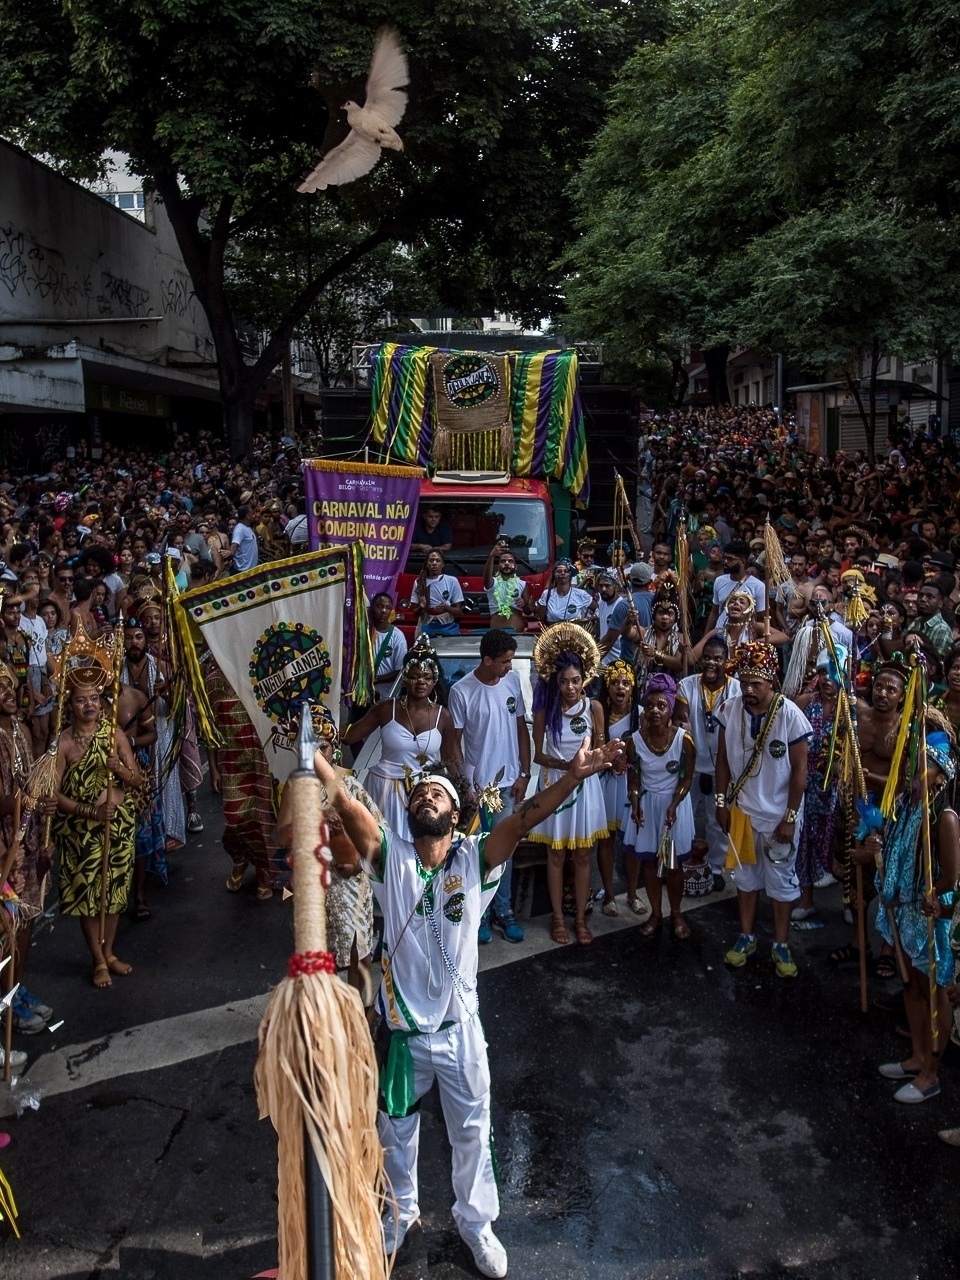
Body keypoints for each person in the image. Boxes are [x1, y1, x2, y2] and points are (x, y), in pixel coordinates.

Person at [311, 739, 624, 1275]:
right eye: (419, 794)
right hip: (406, 1038)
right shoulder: (392, 860)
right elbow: (350, 807)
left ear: (455, 815)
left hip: (460, 1032)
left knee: (474, 1133)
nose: (425, 799)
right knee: (396, 1132)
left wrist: (572, 777)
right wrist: (314, 758)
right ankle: (399, 1217)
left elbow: (525, 818)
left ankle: (477, 1225)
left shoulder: (475, 857)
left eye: (437, 793)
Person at [871, 723, 958, 1104]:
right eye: (914, 763)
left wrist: (933, 894)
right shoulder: (906, 804)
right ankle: (918, 1055)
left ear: (941, 775)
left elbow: (952, 876)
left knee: (932, 989)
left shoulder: (945, 817)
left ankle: (931, 1072)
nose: (917, 771)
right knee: (910, 985)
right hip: (900, 911)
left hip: (927, 916)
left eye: (927, 765)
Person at [715, 640, 812, 979]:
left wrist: (790, 817)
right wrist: (721, 802)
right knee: (745, 879)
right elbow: (722, 760)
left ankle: (781, 944)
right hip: (741, 813)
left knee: (781, 883)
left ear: (772, 681)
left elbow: (800, 771)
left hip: (777, 820)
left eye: (756, 683)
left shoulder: (790, 715)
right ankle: (747, 937)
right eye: (744, 683)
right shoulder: (729, 709)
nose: (749, 690)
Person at [52, 662, 140, 988]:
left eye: (94, 698)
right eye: (80, 699)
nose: (89, 705)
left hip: (117, 825)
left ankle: (111, 951)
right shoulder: (62, 744)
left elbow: (137, 780)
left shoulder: (114, 735)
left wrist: (119, 768)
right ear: (70, 705)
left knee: (113, 893)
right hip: (81, 831)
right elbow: (55, 794)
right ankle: (98, 959)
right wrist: (90, 812)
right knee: (88, 896)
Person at [448, 628, 531, 944]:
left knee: (504, 853)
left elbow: (521, 728)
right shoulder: (461, 691)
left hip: (508, 787)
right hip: (476, 791)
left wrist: (524, 773)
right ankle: (479, 915)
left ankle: (504, 911)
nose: (509, 667)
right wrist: (465, 786)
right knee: (476, 854)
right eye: (505, 661)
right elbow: (454, 742)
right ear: (486, 659)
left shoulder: (511, 682)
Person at [528, 626, 608, 945]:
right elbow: (538, 754)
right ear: (555, 681)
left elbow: (601, 745)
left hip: (587, 788)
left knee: (584, 856)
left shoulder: (594, 708)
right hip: (555, 787)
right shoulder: (545, 710)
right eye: (564, 681)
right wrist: (567, 765)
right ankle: (558, 919)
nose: (571, 687)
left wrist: (594, 755)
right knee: (556, 856)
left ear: (584, 678)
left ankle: (580, 920)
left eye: (576, 680)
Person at [342, 638, 460, 840]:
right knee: (382, 850)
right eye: (414, 677)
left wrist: (463, 794)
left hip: (424, 795)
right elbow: (350, 736)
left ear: (434, 681)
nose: (421, 682)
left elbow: (453, 760)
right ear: (405, 678)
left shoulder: (444, 716)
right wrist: (320, 721)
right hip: (383, 790)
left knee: (419, 851)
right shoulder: (387, 708)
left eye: (427, 677)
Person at [621, 673, 696, 937]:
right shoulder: (635, 740)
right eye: (650, 705)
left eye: (661, 706)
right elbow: (634, 776)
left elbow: (687, 778)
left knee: (673, 866)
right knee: (651, 865)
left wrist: (674, 804)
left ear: (671, 709)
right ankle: (656, 913)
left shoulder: (683, 740)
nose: (655, 711)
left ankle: (677, 913)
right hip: (647, 805)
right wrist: (634, 800)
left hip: (673, 807)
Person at [206, 655, 279, 900]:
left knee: (261, 821)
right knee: (235, 820)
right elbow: (209, 730)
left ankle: (263, 872)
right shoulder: (212, 680)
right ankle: (240, 858)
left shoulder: (258, 673)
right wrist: (214, 768)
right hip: (231, 761)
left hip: (260, 759)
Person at [675, 636, 741, 892]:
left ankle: (714, 868)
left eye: (718, 658)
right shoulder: (687, 686)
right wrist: (682, 725)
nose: (712, 663)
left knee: (717, 820)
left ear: (727, 661)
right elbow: (680, 719)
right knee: (685, 816)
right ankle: (683, 863)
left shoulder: (736, 690)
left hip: (723, 767)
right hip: (691, 764)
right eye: (707, 657)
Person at [791, 645, 847, 924]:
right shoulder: (803, 702)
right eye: (823, 672)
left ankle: (850, 903)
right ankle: (806, 899)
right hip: (806, 785)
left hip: (839, 790)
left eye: (835, 673)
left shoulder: (853, 709)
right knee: (806, 843)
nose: (828, 679)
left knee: (841, 846)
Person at [595, 660, 636, 913]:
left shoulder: (642, 714)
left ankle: (632, 894)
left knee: (632, 841)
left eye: (626, 682)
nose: (620, 687)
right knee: (607, 841)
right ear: (606, 687)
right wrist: (609, 761)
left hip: (632, 783)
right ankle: (609, 895)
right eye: (614, 682)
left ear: (633, 688)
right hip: (605, 784)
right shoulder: (598, 716)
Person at [411, 549, 464, 637]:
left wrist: (446, 608)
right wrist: (421, 607)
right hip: (425, 627)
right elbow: (415, 614)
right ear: (427, 564)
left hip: (447, 626)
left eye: (438, 560)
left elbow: (459, 612)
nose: (434, 563)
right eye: (431, 560)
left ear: (442, 564)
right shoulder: (419, 582)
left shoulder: (452, 581)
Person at [482, 541, 532, 631]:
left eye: (510, 561)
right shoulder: (493, 583)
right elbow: (486, 578)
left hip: (517, 632)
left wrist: (525, 604)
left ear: (515, 566)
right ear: (498, 566)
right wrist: (492, 556)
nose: (507, 563)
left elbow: (528, 612)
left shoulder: (522, 584)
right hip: (497, 633)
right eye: (503, 561)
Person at [369, 591, 407, 699]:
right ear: (372, 608)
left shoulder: (397, 636)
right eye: (379, 606)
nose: (383, 611)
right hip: (363, 697)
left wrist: (377, 679)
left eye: (387, 607)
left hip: (386, 697)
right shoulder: (364, 633)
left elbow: (401, 670)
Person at [532, 558, 594, 624]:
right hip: (553, 632)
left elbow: (598, 609)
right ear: (554, 575)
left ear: (570, 575)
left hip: (574, 632)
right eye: (559, 571)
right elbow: (540, 616)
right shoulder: (547, 594)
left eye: (566, 571)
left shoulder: (581, 594)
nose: (562, 573)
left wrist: (589, 619)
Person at [226, 503, 258, 572]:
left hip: (251, 569)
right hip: (244, 570)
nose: (254, 515)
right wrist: (230, 554)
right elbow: (234, 545)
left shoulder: (247, 527)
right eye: (252, 513)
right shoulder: (239, 529)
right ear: (247, 516)